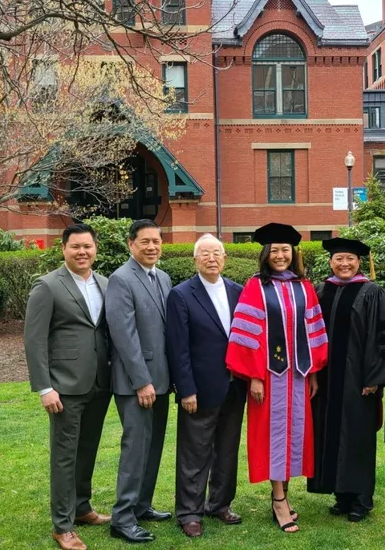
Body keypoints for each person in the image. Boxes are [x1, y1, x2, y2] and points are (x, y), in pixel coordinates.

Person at [225, 223, 328, 534]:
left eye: (285, 250)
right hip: (269, 377)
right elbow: (247, 333)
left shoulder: (304, 286)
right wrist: (254, 377)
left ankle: (284, 494)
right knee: (272, 437)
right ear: (266, 254)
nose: (280, 256)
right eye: (275, 251)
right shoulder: (255, 286)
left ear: (293, 253)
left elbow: (313, 330)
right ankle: (278, 499)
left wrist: (312, 374)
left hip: (297, 376)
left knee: (295, 435)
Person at [24, 224, 112, 550]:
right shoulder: (47, 286)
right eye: (75, 246)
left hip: (100, 384)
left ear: (95, 249)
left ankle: (82, 507)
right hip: (64, 387)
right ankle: (62, 526)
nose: (82, 252)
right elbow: (34, 341)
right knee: (65, 456)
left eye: (87, 246)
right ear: (63, 248)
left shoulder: (104, 283)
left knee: (87, 451)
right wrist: (44, 387)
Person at [308, 237, 385, 522]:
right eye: (339, 259)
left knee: (357, 437)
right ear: (330, 262)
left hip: (360, 380)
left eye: (350, 259)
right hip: (326, 380)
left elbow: (383, 336)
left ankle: (361, 499)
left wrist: (375, 377)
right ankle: (340, 495)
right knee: (330, 433)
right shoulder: (321, 290)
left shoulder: (371, 292)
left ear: (359, 262)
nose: (344, 264)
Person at [166, 234, 246, 538]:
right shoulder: (182, 294)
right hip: (199, 389)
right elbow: (178, 348)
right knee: (194, 453)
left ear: (225, 258)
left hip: (234, 386)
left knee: (227, 449)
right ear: (195, 260)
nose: (211, 258)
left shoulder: (238, 292)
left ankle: (220, 503)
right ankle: (189, 511)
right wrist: (185, 389)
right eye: (205, 254)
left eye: (217, 253)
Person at [105, 219, 172, 544]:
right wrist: (142, 382)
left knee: (153, 447)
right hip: (136, 384)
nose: (151, 247)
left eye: (156, 241)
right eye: (145, 241)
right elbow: (124, 336)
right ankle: (122, 517)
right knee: (135, 449)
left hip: (161, 381)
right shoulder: (121, 279)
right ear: (131, 244)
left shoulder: (162, 277)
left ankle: (142, 505)